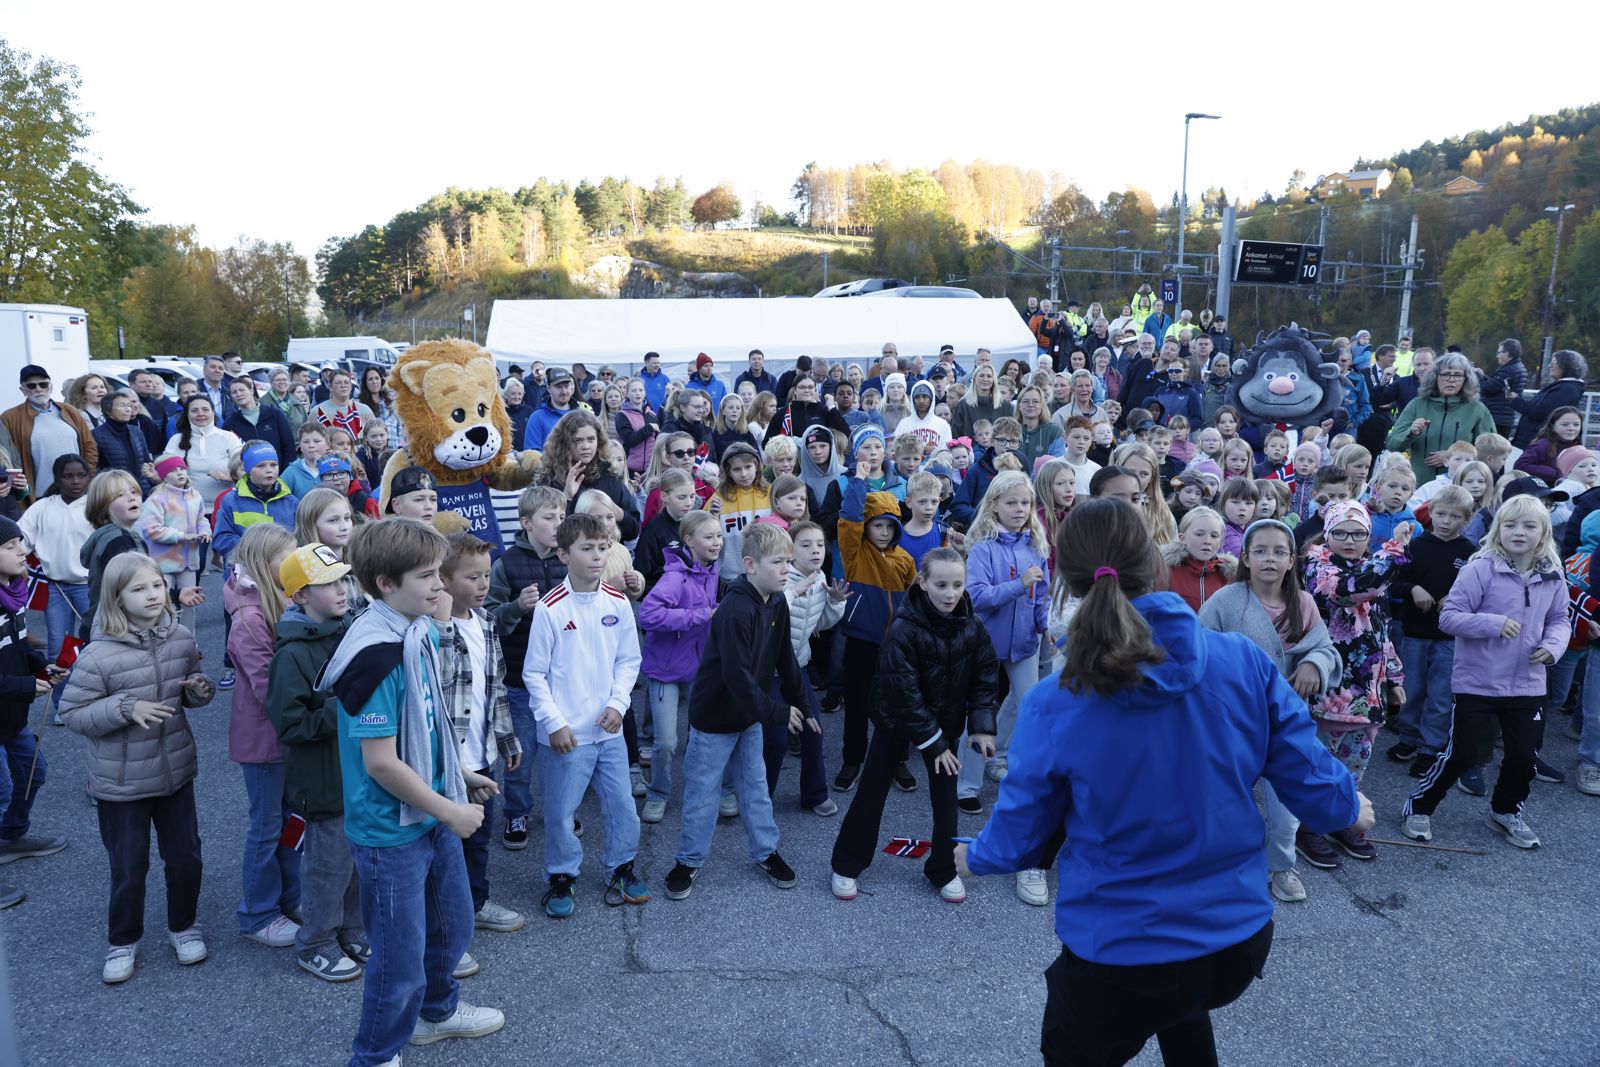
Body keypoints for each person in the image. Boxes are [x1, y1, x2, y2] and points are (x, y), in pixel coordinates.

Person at [957, 499, 1370, 1066]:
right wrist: (1350, 807)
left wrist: (972, 857)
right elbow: (1311, 777)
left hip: (1122, 957)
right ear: (1156, 561)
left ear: (1069, 581)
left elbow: (1022, 838)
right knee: (1180, 1005)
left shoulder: (1057, 700)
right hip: (1236, 943)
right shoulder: (1242, 660)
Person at [319, 519, 506, 1061]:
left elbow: (426, 724)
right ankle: (375, 1055)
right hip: (390, 830)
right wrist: (451, 810)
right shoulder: (375, 655)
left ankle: (437, 1014)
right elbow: (380, 764)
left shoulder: (412, 628)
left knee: (452, 925)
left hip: (431, 806)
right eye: (425, 576)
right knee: (398, 960)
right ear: (383, 583)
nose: (440, 586)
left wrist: (457, 775)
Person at [59, 553, 216, 983]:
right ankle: (122, 940)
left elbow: (192, 691)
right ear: (116, 597)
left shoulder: (181, 637)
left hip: (176, 771)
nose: (151, 595)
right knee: (129, 866)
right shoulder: (98, 654)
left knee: (185, 858)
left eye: (155, 585)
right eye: (138, 589)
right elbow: (73, 713)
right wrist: (126, 707)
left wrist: (199, 691)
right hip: (120, 782)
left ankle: (183, 927)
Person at [830, 546, 999, 903]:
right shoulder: (903, 628)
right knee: (871, 793)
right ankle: (847, 864)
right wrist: (934, 743)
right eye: (941, 584)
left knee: (945, 801)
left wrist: (982, 725)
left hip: (946, 724)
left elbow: (985, 676)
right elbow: (902, 692)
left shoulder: (973, 624)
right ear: (923, 583)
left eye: (957, 584)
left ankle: (943, 868)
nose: (950, 593)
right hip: (897, 722)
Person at [1403, 495, 1570, 848]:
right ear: (1497, 530)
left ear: (1543, 533)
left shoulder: (1553, 574)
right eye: (1510, 525)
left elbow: (1559, 620)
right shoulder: (1479, 567)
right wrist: (1492, 623)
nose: (1519, 532)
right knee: (1462, 754)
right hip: (1477, 681)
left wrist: (1554, 647)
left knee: (1525, 757)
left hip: (1528, 684)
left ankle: (1505, 811)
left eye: (1529, 526)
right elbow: (1448, 617)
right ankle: (1420, 806)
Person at [663, 522, 812, 901]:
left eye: (788, 562)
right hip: (715, 719)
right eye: (777, 562)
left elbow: (785, 658)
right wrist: (777, 713)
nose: (785, 570)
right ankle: (688, 860)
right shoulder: (735, 609)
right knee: (702, 794)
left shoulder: (776, 600)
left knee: (756, 789)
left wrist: (803, 705)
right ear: (750, 564)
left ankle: (766, 852)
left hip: (750, 717)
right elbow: (737, 676)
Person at [1199, 517, 1342, 905]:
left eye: (1279, 552)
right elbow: (1199, 651)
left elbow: (1325, 647)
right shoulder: (1227, 601)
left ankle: (1281, 865)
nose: (1269, 559)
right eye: (1259, 551)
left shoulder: (1304, 603)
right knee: (1229, 802)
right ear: (1245, 557)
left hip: (1287, 723)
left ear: (1292, 560)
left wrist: (1315, 664)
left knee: (1285, 809)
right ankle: (1227, 868)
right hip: (1235, 723)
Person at [265, 542, 364, 982]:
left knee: (359, 858)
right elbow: (290, 723)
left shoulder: (348, 629)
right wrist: (345, 705)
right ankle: (316, 942)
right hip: (322, 781)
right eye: (327, 584)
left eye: (343, 579)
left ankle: (353, 928)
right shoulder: (292, 653)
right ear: (300, 596)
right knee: (328, 867)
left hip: (356, 774)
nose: (341, 589)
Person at [1296, 500, 1409, 870]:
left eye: (1358, 533)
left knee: (1353, 764)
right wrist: (1393, 550)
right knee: (1320, 764)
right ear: (1327, 534)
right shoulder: (1317, 564)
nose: (1349, 540)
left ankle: (1342, 817)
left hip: (1368, 693)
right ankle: (1308, 827)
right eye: (1340, 532)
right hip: (1331, 688)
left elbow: (1381, 631)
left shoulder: (1370, 566)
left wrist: (1394, 677)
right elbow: (1346, 592)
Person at [958, 472, 1052, 906]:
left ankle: (1004, 756)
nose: (1019, 510)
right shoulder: (981, 548)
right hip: (984, 642)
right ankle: (967, 786)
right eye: (1011, 503)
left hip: (1025, 642)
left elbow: (1043, 594)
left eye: (1025, 503)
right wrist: (1020, 584)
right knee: (977, 712)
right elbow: (976, 596)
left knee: (1028, 702)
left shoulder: (1036, 544)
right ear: (994, 505)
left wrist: (1045, 625)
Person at [433, 533, 526, 936]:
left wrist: (506, 738)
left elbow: (496, 687)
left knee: (479, 837)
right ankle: (444, 920)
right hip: (447, 760)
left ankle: (475, 903)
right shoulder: (433, 631)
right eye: (472, 578)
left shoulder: (486, 622)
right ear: (444, 580)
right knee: (444, 845)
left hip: (482, 755)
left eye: (486, 576)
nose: (484, 585)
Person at [223, 523, 304, 950]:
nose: (292, 565)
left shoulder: (277, 602)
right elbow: (269, 688)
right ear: (262, 564)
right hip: (264, 742)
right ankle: (257, 912)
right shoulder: (250, 620)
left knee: (292, 822)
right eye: (285, 559)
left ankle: (289, 898)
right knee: (267, 826)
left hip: (284, 737)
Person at [484, 485, 568, 851]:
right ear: (526, 523)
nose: (557, 524)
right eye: (549, 518)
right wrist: (517, 606)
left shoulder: (569, 558)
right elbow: (488, 619)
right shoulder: (505, 564)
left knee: (561, 752)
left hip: (563, 678)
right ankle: (516, 812)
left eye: (562, 517)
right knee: (521, 754)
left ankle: (561, 810)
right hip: (519, 680)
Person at [831, 469, 917, 794]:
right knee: (856, 703)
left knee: (898, 704)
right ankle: (852, 759)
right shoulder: (855, 553)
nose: (882, 532)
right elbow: (849, 517)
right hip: (861, 642)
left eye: (888, 526)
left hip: (896, 646)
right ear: (866, 528)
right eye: (876, 525)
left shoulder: (906, 560)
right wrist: (859, 482)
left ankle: (897, 760)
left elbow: (913, 601)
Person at [639, 511, 722, 824]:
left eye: (718, 535)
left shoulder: (711, 570)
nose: (717, 542)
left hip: (697, 667)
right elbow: (648, 616)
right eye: (709, 537)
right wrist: (698, 615)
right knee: (666, 742)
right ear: (689, 541)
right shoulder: (675, 577)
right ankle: (658, 793)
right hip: (665, 671)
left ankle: (711, 789)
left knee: (706, 735)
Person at [1385, 486, 1475, 776]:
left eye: (1454, 516)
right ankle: (1408, 738)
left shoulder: (1470, 553)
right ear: (1430, 514)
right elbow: (1394, 582)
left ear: (1467, 519)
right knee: (1412, 689)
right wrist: (1414, 588)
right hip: (1414, 633)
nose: (1446, 521)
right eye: (1440, 514)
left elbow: (1479, 590)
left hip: (1450, 638)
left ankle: (1430, 747)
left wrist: (1457, 598)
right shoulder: (1417, 546)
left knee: (1440, 694)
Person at [0, 515, 67, 906]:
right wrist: (29, 686)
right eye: (9, 547)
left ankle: (10, 836)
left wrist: (41, 667)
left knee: (32, 775)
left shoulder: (14, 592)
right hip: (9, 704)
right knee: (3, 788)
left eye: (21, 544)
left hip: (12, 718)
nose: (21, 551)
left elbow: (19, 647)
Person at [19, 455, 93, 678]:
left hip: (90, 587)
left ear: (90, 478)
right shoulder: (42, 507)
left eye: (81, 475)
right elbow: (20, 539)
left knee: (99, 641)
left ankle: (95, 699)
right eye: (68, 476)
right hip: (55, 588)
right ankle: (62, 706)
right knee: (57, 648)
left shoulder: (96, 505)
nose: (75, 481)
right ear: (57, 479)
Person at [1385, 352, 1497, 488]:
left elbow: (1490, 454)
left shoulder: (1478, 410)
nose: (1451, 379)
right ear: (1434, 377)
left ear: (1466, 379)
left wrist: (1453, 456)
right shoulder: (1417, 404)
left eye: (1458, 375)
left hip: (1459, 489)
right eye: (1445, 374)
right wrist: (1411, 433)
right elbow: (1392, 445)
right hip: (1419, 486)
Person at [536, 410, 641, 542]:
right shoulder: (551, 478)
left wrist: (615, 512)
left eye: (591, 439)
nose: (586, 446)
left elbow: (633, 530)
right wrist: (566, 496)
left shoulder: (609, 475)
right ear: (564, 442)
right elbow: (546, 532)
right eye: (578, 440)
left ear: (599, 441)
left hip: (608, 556)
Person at [3, 364, 99, 499]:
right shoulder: (10, 418)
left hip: (78, 492)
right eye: (31, 386)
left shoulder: (70, 411)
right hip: (38, 495)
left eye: (43, 384)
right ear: (22, 390)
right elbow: (7, 458)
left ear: (51, 387)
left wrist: (85, 477)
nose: (38, 389)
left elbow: (89, 446)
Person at [211, 443, 299, 566]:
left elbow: (299, 538)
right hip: (243, 572)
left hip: (281, 572)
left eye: (273, 464)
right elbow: (221, 539)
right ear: (247, 469)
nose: (269, 470)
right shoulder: (231, 500)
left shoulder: (291, 501)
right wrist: (257, 550)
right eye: (260, 466)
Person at [163, 395, 242, 523]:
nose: (200, 414)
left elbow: (244, 469)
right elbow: (164, 473)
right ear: (187, 414)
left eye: (205, 409)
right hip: (187, 511)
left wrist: (230, 477)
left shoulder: (228, 438)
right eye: (195, 410)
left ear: (213, 412)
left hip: (226, 509)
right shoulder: (176, 440)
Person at [1509, 348, 1588, 450]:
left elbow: (1540, 412)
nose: (1550, 366)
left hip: (1542, 443)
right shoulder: (1560, 386)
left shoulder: (1567, 389)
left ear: (1566, 366)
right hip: (1537, 440)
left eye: (1554, 363)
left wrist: (1516, 401)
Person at [1162, 506, 1233, 612]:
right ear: (1182, 538)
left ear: (1220, 543)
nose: (1207, 541)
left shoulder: (1230, 575)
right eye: (1199, 534)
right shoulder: (1165, 570)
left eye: (1214, 536)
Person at [224, 376, 295, 470]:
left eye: (242, 390)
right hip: (250, 477)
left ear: (251, 391)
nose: (238, 394)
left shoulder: (274, 414)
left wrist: (286, 472)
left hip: (280, 473)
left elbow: (289, 445)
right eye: (234, 392)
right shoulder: (230, 424)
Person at [93, 388, 157, 493]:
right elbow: (96, 469)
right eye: (122, 406)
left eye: (129, 405)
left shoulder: (136, 432)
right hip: (116, 491)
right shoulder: (97, 435)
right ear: (108, 411)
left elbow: (146, 460)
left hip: (142, 489)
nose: (128, 409)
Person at [1513, 405, 1584, 484]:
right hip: (1547, 492)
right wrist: (1555, 473)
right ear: (1552, 425)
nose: (1571, 428)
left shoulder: (1578, 447)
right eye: (1565, 424)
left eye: (1576, 424)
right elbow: (1520, 465)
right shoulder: (1542, 445)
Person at [522, 367, 578, 452]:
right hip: (549, 465)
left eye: (566, 386)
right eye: (558, 387)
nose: (564, 391)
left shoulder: (581, 415)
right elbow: (532, 455)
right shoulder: (537, 417)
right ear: (548, 388)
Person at [310, 369, 377, 441]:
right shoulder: (317, 411)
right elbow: (311, 438)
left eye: (346, 382)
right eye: (338, 383)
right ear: (330, 386)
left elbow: (375, 435)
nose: (343, 385)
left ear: (351, 386)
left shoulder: (364, 410)